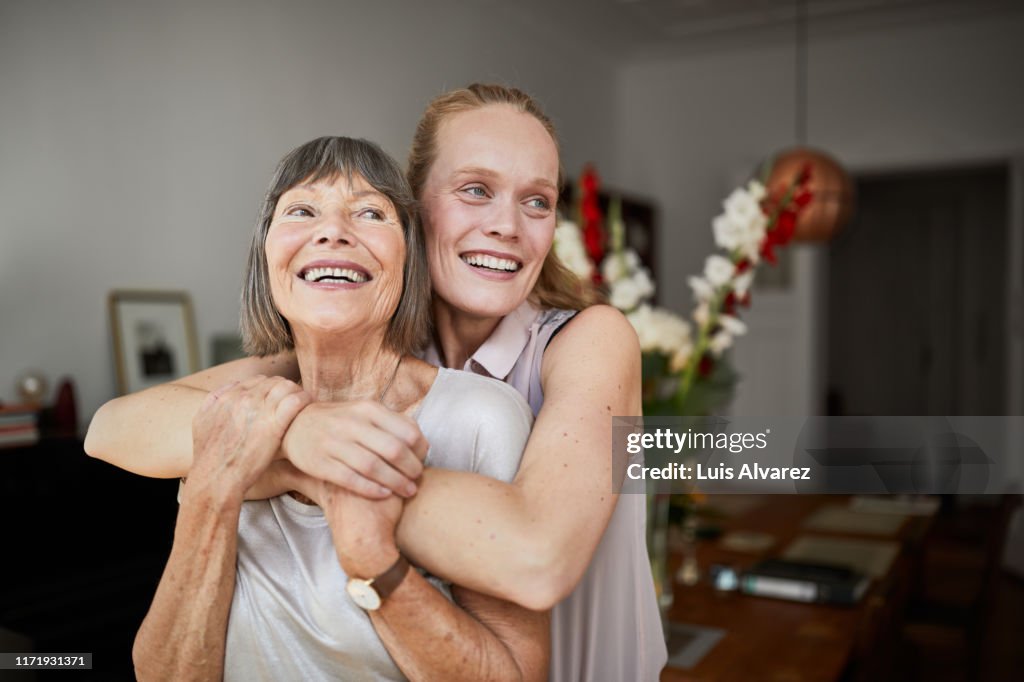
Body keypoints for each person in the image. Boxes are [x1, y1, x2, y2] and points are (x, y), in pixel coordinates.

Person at [86, 84, 668, 680]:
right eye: (475, 190)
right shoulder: (349, 342)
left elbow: (536, 560)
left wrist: (299, 458)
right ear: (414, 210)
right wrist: (300, 431)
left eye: (538, 202)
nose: (507, 226)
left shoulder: (589, 338)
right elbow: (113, 426)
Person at [129, 135, 549, 680]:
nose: (332, 232)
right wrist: (213, 491)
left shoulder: (480, 418)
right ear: (266, 257)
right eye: (302, 210)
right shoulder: (232, 414)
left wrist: (373, 557)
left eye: (369, 212)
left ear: (409, 258)